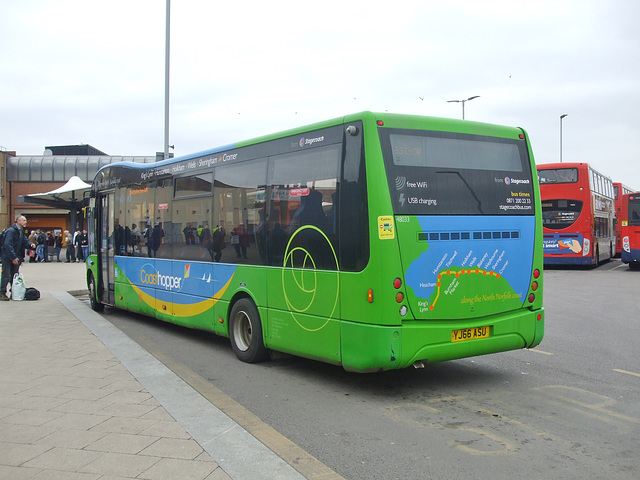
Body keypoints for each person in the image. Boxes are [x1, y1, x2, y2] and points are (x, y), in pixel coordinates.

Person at [1, 215, 36, 300]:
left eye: (26, 220)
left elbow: (24, 241)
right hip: (7, 257)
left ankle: (14, 292)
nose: (25, 222)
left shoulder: (20, 231)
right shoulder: (11, 231)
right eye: (24, 220)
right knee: (6, 275)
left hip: (15, 256)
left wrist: (30, 245)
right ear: (18, 221)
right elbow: (7, 245)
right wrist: (13, 257)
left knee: (14, 275)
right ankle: (2, 292)